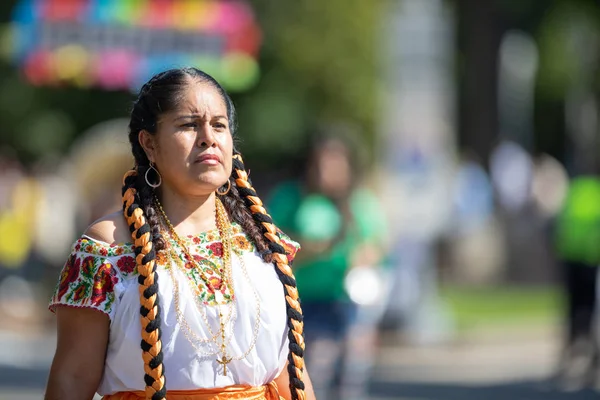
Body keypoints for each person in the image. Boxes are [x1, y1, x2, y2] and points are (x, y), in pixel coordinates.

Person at [44, 68, 315, 400]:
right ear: (149, 144)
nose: (208, 137)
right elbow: (72, 379)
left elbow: (291, 376)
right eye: (189, 125)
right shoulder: (110, 247)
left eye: (219, 125)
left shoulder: (261, 241)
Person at [268, 134, 387, 400]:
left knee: (352, 375)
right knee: (314, 374)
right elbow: (270, 242)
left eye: (334, 164)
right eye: (321, 164)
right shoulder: (292, 198)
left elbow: (377, 244)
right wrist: (310, 249)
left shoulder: (359, 201)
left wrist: (364, 255)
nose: (327, 172)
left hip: (350, 303)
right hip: (307, 301)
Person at [553, 174, 600, 390]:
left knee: (575, 310)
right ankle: (587, 360)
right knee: (588, 312)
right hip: (590, 258)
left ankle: (576, 357)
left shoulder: (575, 189)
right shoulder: (591, 191)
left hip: (573, 258)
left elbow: (561, 222)